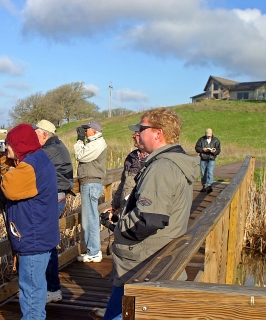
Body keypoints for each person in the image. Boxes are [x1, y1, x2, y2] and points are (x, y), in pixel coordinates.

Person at [101, 108, 199, 320]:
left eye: (141, 128)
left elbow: (149, 219)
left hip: (142, 262)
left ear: (158, 133)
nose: (137, 132)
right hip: (155, 255)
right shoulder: (173, 161)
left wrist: (119, 228)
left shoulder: (161, 167)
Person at [0, 123, 59, 320]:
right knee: (35, 289)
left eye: (9, 145)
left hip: (33, 239)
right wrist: (9, 160)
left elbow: (9, 188)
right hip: (39, 234)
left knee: (31, 295)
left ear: (19, 145)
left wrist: (3, 164)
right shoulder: (38, 159)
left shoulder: (30, 166)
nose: (6, 149)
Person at [33, 119, 74, 303]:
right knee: (47, 242)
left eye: (35, 134)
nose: (33, 138)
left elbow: (30, 168)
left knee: (45, 244)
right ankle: (51, 287)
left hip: (51, 200)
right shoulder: (57, 145)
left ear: (44, 134)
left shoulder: (48, 150)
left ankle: (51, 288)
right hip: (58, 198)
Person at [74, 120, 107, 263]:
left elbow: (80, 155)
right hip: (91, 183)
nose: (84, 132)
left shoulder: (97, 144)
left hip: (91, 183)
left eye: (86, 130)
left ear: (94, 131)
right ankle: (93, 250)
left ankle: (93, 252)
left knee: (89, 219)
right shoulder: (95, 143)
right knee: (90, 218)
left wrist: (79, 140)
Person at [195, 128, 221, 193]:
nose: (209, 136)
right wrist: (202, 150)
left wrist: (214, 151)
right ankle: (204, 185)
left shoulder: (216, 140)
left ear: (212, 134)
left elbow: (218, 150)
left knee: (210, 172)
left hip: (211, 158)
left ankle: (209, 185)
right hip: (203, 158)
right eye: (208, 135)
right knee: (203, 173)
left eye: (210, 135)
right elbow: (197, 148)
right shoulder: (201, 140)